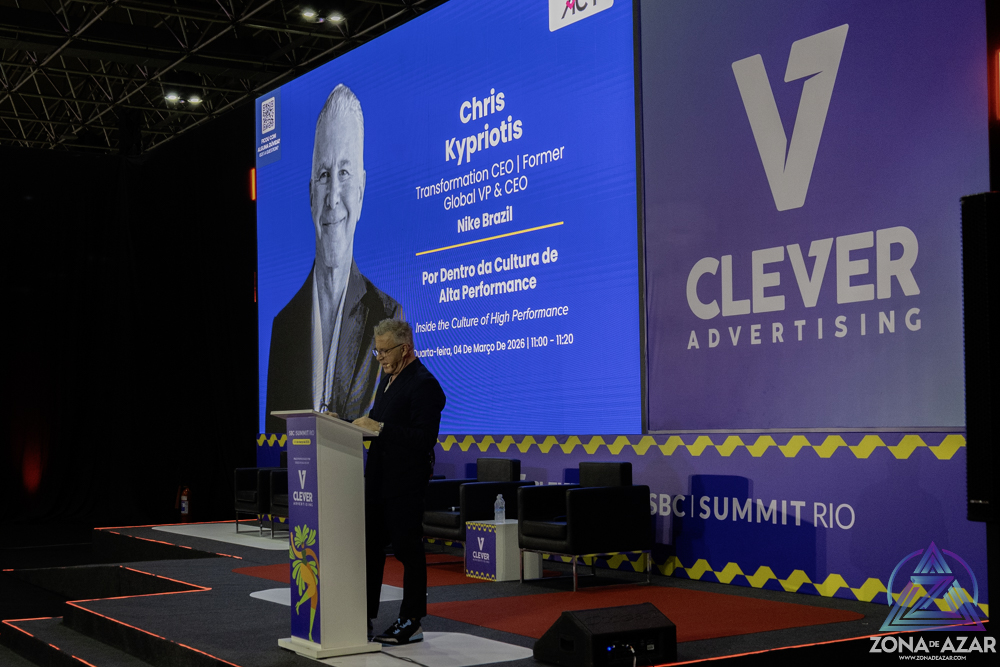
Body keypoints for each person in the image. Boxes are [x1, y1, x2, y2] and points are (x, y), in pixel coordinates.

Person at [265, 84, 402, 434]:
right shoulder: (283, 327)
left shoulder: (386, 315)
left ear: (361, 189)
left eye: (344, 173)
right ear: (311, 194)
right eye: (325, 175)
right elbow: (277, 440)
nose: (333, 197)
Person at [353, 319, 446, 645]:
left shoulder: (424, 384)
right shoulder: (387, 380)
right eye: (376, 350)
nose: (379, 356)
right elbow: (375, 424)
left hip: (405, 483)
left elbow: (424, 438)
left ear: (405, 349)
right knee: (370, 548)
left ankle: (412, 619)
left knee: (408, 550)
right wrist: (347, 424)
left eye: (384, 350)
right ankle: (362, 615)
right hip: (378, 479)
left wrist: (380, 429)